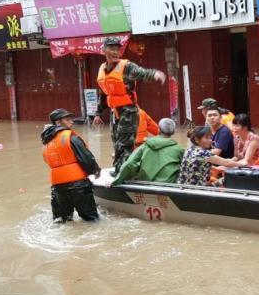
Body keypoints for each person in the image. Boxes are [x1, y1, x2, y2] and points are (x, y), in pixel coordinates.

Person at [93, 37, 166, 174]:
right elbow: (104, 93)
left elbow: (141, 73)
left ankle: (122, 172)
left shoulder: (126, 66)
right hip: (115, 111)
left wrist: (154, 74)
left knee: (125, 142)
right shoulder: (102, 69)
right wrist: (98, 113)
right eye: (111, 49)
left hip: (128, 110)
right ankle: (120, 168)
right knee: (116, 140)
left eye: (117, 49)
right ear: (103, 50)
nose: (115, 52)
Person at [41, 108, 101, 223]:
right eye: (67, 119)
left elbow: (48, 161)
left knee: (62, 221)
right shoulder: (70, 137)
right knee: (91, 220)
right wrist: (95, 170)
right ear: (58, 122)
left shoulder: (46, 142)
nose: (71, 122)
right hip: (78, 185)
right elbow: (86, 158)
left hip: (58, 187)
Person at [112, 118, 184, 186]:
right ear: (173, 132)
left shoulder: (145, 146)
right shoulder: (179, 149)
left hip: (146, 183)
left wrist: (117, 181)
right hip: (169, 184)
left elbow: (129, 164)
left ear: (158, 130)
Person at [177, 126, 247, 186]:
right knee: (228, 178)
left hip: (183, 187)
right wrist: (241, 163)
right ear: (196, 140)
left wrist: (224, 165)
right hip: (198, 190)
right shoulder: (204, 153)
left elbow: (199, 165)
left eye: (210, 138)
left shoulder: (188, 150)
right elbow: (227, 163)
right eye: (206, 138)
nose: (210, 140)